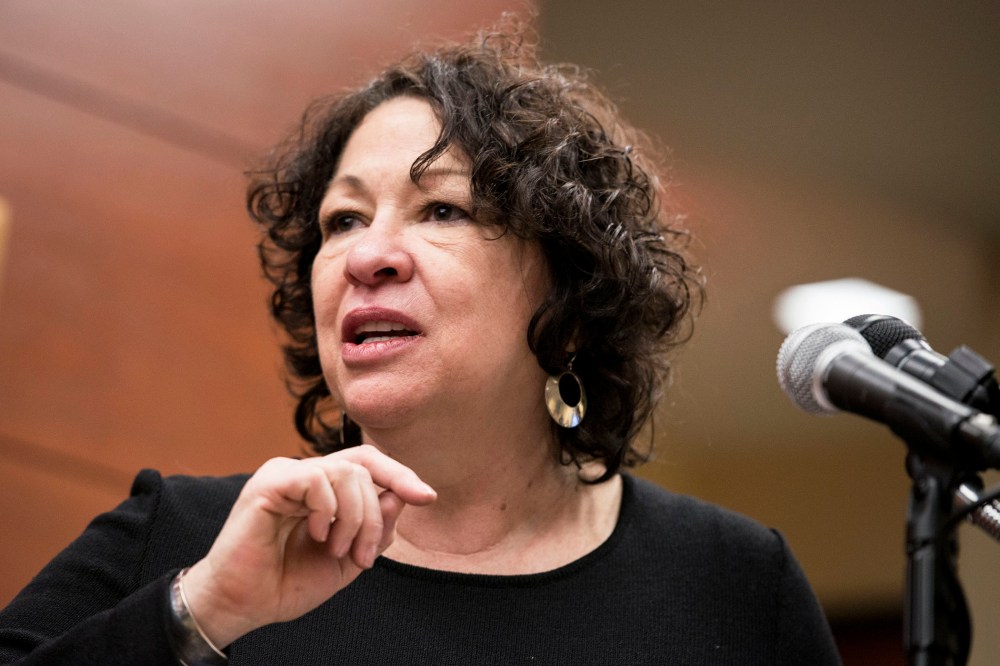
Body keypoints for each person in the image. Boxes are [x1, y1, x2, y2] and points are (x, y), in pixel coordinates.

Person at [0, 19, 840, 665]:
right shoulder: (180, 538)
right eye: (343, 219)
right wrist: (203, 612)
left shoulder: (732, 583)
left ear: (572, 292)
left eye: (441, 209)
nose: (366, 256)